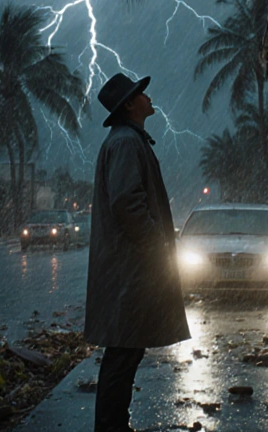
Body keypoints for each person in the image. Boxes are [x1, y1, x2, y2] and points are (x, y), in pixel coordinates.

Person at [84, 73, 190, 432]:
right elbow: (127, 203)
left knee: (127, 350)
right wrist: (156, 246)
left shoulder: (128, 140)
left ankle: (115, 424)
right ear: (129, 104)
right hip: (129, 269)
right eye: (141, 94)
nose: (148, 97)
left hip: (129, 267)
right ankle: (111, 427)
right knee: (123, 352)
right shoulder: (127, 142)